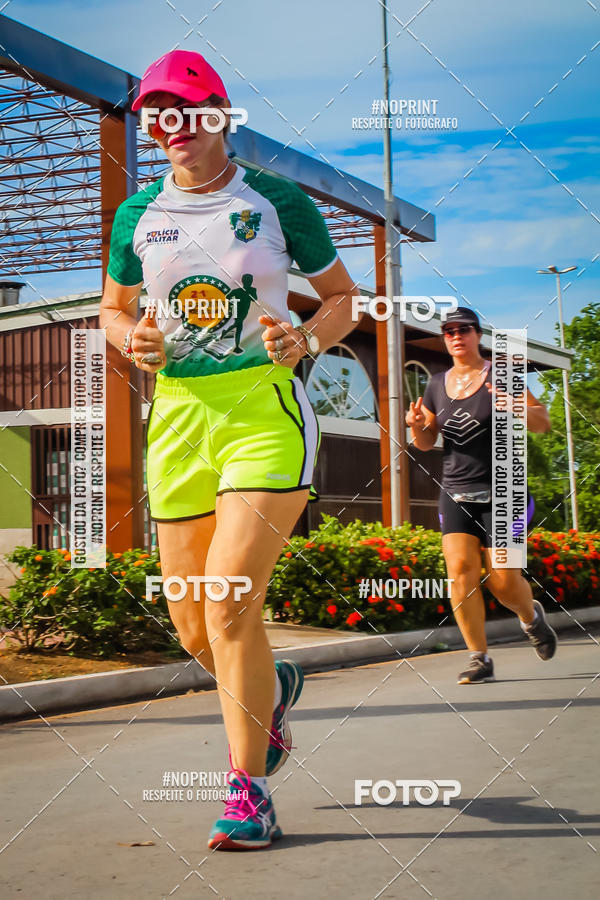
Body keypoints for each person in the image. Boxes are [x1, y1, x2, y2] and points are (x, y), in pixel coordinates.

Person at [99, 49, 359, 849]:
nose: (170, 127)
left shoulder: (277, 201)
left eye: (184, 110)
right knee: (192, 630)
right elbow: (112, 311)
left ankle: (248, 792)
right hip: (177, 422)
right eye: (156, 116)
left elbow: (344, 301)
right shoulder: (137, 214)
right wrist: (130, 338)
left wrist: (303, 339)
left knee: (231, 604)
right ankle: (274, 686)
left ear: (218, 113)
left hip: (262, 414)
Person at [405, 307, 557, 684]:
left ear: (477, 335)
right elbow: (425, 443)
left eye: (464, 329)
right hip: (456, 490)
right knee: (459, 574)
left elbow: (544, 423)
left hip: (504, 490)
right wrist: (419, 427)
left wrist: (518, 406)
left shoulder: (502, 375)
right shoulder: (436, 384)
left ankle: (531, 618)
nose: (456, 335)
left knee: (503, 581)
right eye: (449, 330)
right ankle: (479, 658)